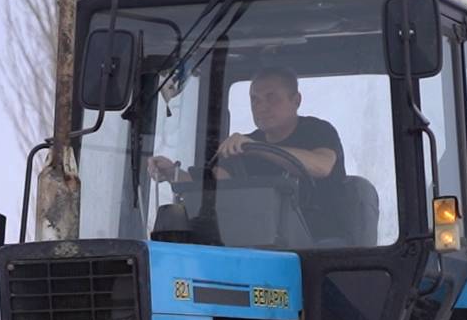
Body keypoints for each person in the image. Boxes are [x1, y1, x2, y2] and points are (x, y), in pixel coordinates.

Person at [148, 67, 348, 236]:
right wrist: (172, 173)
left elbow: (322, 166)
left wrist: (259, 149)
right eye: (255, 99)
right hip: (261, 244)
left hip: (323, 244)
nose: (261, 107)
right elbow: (213, 187)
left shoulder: (318, 131)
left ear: (296, 100)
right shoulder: (244, 146)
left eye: (271, 98)